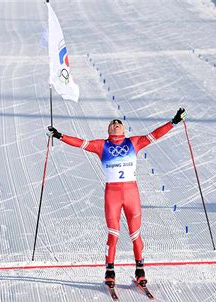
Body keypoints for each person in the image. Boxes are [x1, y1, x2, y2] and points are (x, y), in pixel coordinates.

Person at [47, 108, 186, 287]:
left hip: (131, 194)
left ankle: (140, 269)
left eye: (118, 123)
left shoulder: (134, 142)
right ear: (108, 130)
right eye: (112, 124)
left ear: (124, 129)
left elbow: (155, 135)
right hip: (112, 194)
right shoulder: (101, 145)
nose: (115, 124)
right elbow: (80, 143)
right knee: (113, 235)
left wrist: (174, 122)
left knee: (135, 234)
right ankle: (110, 270)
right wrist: (59, 135)